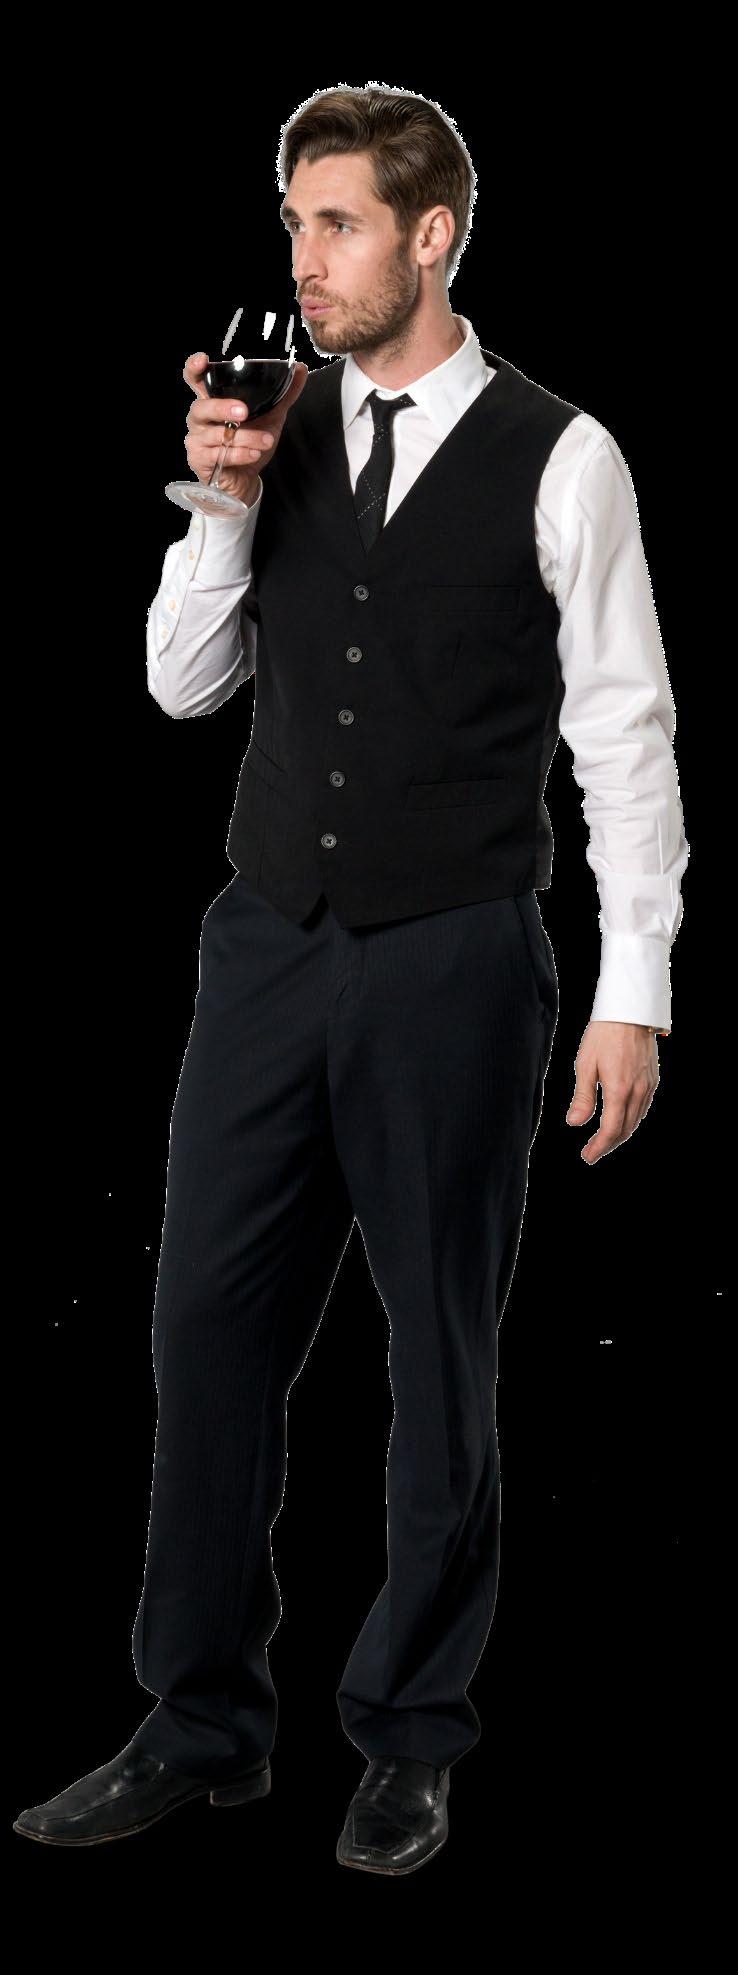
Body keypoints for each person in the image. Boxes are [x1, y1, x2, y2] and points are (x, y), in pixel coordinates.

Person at [13, 86, 688, 1869]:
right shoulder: (279, 422)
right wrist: (223, 505)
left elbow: (622, 734)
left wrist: (632, 987)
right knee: (205, 1328)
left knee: (436, 1352)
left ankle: (406, 1734)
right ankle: (200, 1720)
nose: (303, 262)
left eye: (336, 225)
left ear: (431, 235)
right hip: (265, 947)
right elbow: (179, 687)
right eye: (292, 224)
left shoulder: (564, 455)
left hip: (454, 956)